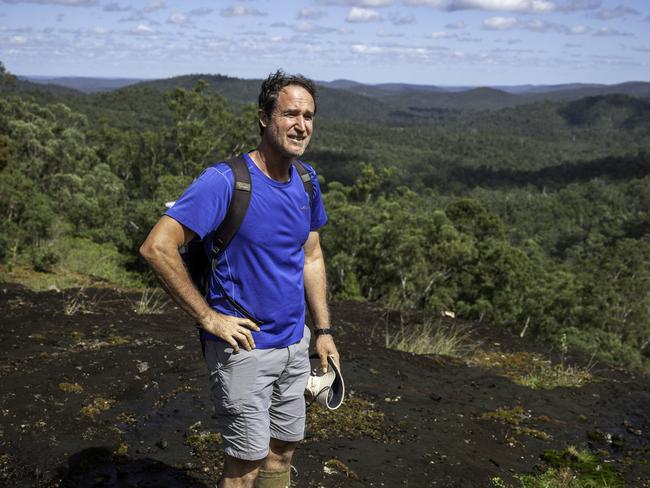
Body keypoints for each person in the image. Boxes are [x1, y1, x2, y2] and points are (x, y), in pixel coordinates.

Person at [139, 69, 339, 488]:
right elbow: (157, 246)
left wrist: (321, 330)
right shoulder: (226, 182)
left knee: (282, 448)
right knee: (244, 466)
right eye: (289, 114)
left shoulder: (306, 181)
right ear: (264, 117)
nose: (301, 125)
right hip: (244, 350)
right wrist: (208, 317)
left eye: (309, 115)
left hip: (294, 343)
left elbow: (311, 254)